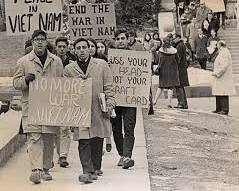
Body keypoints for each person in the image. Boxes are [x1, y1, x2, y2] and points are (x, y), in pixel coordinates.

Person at [13, 30, 63, 184]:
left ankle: (46, 168)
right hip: (32, 106)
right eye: (36, 39)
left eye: (42, 39)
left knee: (48, 138)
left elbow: (62, 83)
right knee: (34, 138)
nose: (40, 42)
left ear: (47, 41)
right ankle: (36, 170)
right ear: (33, 42)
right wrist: (26, 80)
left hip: (50, 107)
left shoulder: (56, 61)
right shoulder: (23, 61)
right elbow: (16, 83)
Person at [64, 38, 115, 183]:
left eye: (84, 47)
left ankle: (95, 167)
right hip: (80, 110)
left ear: (89, 49)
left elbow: (109, 87)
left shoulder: (102, 65)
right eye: (78, 48)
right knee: (83, 141)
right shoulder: (69, 69)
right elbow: (66, 92)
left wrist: (110, 103)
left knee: (97, 140)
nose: (81, 51)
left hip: (98, 109)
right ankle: (87, 170)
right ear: (74, 51)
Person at [111, 29, 137, 169]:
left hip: (131, 99)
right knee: (116, 129)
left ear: (128, 39)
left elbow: (143, 78)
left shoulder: (137, 57)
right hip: (115, 99)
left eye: (122, 38)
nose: (120, 41)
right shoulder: (110, 57)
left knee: (129, 128)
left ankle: (127, 156)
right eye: (118, 39)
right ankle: (121, 154)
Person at [54, 36, 76, 168]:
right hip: (54, 97)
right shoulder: (51, 61)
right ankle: (58, 153)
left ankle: (63, 155)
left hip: (67, 98)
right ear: (56, 47)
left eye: (64, 47)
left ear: (67, 48)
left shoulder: (72, 61)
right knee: (55, 129)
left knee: (65, 128)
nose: (62, 49)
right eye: (59, 47)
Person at [153, 37, 180, 108]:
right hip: (172, 70)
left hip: (163, 70)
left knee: (161, 86)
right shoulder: (174, 51)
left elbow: (157, 60)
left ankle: (155, 101)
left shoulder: (161, 50)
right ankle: (169, 103)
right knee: (170, 87)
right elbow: (178, 60)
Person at [212, 40, 235, 115]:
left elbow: (224, 65)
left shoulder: (224, 52)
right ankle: (219, 108)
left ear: (220, 45)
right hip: (220, 76)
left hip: (223, 76)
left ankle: (224, 109)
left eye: (217, 44)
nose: (216, 46)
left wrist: (217, 73)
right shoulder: (222, 52)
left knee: (223, 92)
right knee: (219, 92)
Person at [173, 34, 189, 109]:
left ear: (178, 38)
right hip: (182, 68)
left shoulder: (179, 46)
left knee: (179, 86)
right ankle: (184, 103)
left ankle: (181, 103)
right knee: (181, 86)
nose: (173, 39)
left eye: (174, 38)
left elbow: (177, 58)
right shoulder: (181, 45)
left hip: (179, 69)